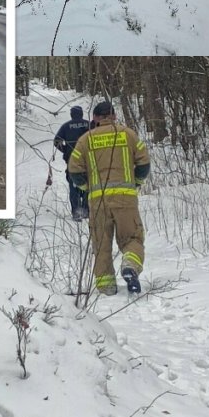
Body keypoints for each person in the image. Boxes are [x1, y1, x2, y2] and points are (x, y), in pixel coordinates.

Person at [68, 101, 150, 295]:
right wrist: (136, 182)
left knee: (101, 244)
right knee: (132, 237)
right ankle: (130, 264)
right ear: (114, 116)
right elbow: (144, 163)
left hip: (98, 201)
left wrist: (87, 188)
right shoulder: (128, 134)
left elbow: (74, 170)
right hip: (125, 199)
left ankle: (106, 288)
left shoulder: (86, 139)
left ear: (95, 118)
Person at [55, 106, 93, 220]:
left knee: (73, 186)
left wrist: (66, 150)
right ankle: (86, 210)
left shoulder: (66, 126)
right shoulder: (89, 125)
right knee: (88, 185)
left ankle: (77, 212)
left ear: (71, 114)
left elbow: (57, 141)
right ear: (81, 113)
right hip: (88, 160)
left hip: (72, 161)